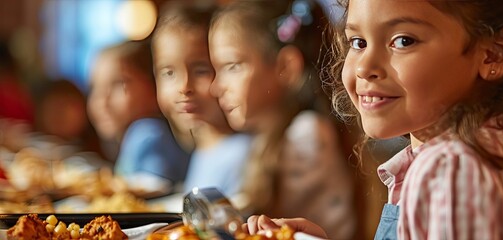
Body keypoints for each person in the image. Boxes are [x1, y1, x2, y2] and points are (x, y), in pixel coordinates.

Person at [242, 0, 503, 239]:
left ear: (494, 52)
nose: (366, 67)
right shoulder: (463, 155)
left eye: (403, 41)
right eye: (358, 42)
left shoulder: (452, 169)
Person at [208, 0, 356, 239]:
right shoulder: (269, 136)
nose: (216, 87)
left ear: (285, 67)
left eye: (232, 66)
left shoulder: (306, 134)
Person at [151, 1, 252, 197]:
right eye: (169, 73)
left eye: (201, 70)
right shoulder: (205, 147)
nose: (184, 87)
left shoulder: (243, 156)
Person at [88, 40, 190, 189]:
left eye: (119, 83)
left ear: (153, 87)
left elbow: (149, 195)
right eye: (94, 87)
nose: (101, 100)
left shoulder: (147, 134)